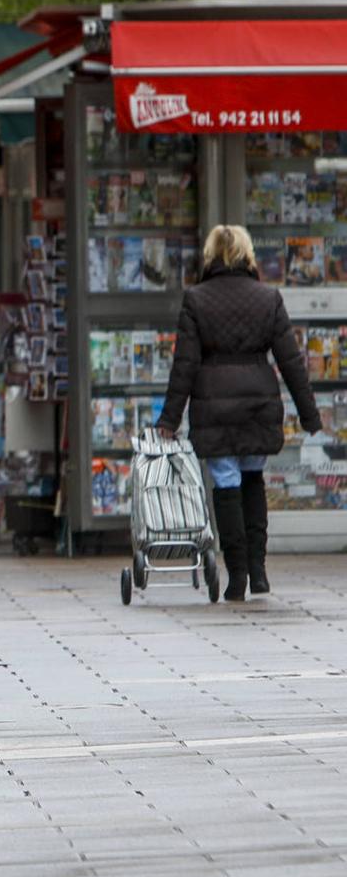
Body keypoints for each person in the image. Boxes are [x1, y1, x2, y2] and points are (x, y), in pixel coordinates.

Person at [157, 224, 320, 602]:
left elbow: (185, 364)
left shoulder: (196, 299)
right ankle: (259, 570)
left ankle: (237, 575)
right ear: (248, 255)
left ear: (211, 255)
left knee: (226, 483)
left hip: (213, 402)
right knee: (253, 477)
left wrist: (169, 420)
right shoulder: (268, 297)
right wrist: (309, 416)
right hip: (258, 401)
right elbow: (290, 362)